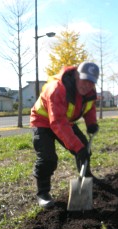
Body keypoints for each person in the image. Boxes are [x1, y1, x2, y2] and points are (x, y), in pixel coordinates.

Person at [30, 61, 100, 208]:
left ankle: (86, 177)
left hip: (64, 121)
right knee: (47, 158)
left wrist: (91, 123)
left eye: (91, 82)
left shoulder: (89, 92)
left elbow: (89, 107)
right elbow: (58, 123)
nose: (87, 85)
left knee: (85, 149)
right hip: (43, 122)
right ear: (76, 75)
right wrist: (76, 147)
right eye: (84, 79)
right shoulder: (57, 89)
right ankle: (42, 193)